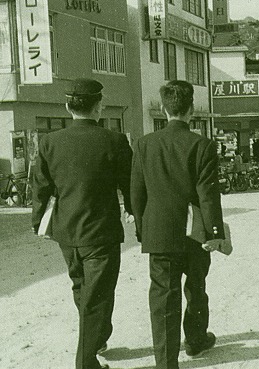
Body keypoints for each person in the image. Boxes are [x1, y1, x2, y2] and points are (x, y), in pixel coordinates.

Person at [32, 78, 133, 369]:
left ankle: (97, 337)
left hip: (67, 232)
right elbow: (129, 183)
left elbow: (40, 186)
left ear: (67, 107)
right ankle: (86, 360)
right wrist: (134, 212)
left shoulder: (50, 142)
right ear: (99, 107)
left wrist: (38, 220)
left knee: (81, 286)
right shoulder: (114, 140)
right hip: (101, 231)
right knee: (99, 294)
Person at [130, 80, 229, 369]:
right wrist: (215, 234)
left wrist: (141, 229)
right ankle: (196, 340)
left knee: (163, 296)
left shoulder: (144, 144)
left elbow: (137, 193)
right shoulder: (202, 145)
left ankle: (165, 362)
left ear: (163, 109)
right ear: (191, 110)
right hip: (195, 232)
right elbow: (208, 194)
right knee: (196, 286)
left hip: (158, 232)